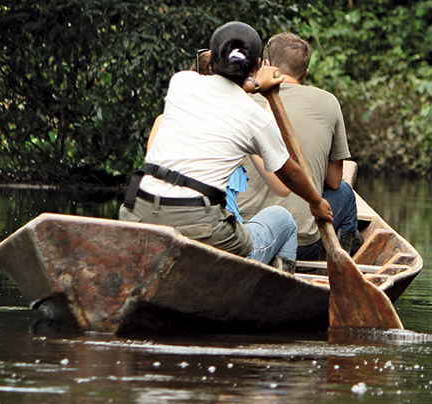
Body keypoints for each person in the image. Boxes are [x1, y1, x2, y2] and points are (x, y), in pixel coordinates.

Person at [119, 22, 332, 271]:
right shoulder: (255, 116)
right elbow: (290, 174)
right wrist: (316, 202)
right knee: (284, 220)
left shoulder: (181, 82)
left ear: (211, 57)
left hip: (137, 212)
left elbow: (221, 91)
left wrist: (252, 85)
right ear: (256, 66)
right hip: (200, 226)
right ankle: (272, 296)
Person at [237, 32, 362, 261]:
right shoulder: (328, 102)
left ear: (265, 65)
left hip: (241, 234)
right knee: (345, 192)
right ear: (305, 74)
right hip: (304, 241)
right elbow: (334, 181)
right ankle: (338, 262)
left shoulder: (238, 99)